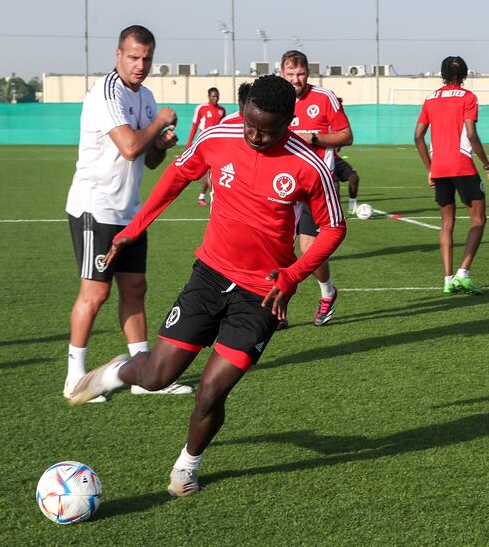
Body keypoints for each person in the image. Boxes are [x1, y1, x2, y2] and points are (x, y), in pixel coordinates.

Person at [68, 75, 347, 498]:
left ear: (288, 122)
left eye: (267, 130)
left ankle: (186, 466)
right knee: (157, 376)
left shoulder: (307, 163)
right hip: (210, 276)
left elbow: (333, 229)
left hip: (262, 294)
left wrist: (292, 276)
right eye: (250, 123)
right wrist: (133, 228)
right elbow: (176, 179)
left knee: (211, 391)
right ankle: (117, 372)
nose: (254, 135)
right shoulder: (221, 135)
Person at [64, 25, 191, 402]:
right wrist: (159, 124)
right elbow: (131, 147)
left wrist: (162, 144)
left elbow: (148, 159)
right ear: (118, 55)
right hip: (95, 206)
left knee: (135, 289)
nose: (140, 65)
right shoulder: (107, 93)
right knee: (96, 291)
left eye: (147, 58)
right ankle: (75, 377)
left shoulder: (146, 97)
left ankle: (145, 375)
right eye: (134, 57)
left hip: (129, 211)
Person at [279, 50, 353, 327]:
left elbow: (347, 135)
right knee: (277, 247)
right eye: (290, 75)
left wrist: (313, 137)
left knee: (309, 250)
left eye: (300, 74)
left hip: (317, 184)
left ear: (307, 73)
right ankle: (279, 307)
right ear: (282, 74)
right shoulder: (278, 99)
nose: (296, 80)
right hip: (283, 184)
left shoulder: (324, 97)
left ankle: (327, 291)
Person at [414, 55, 489, 294]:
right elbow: (471, 134)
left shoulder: (431, 99)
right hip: (462, 164)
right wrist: (488, 164)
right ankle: (463, 272)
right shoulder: (468, 97)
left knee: (446, 224)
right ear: (464, 74)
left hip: (439, 167)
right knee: (478, 219)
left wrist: (430, 167)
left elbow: (418, 136)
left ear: (442, 73)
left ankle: (447, 279)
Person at [186, 88, 226, 206]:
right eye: (213, 96)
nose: (215, 99)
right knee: (209, 171)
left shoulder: (222, 110)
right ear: (208, 97)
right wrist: (189, 144)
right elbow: (195, 126)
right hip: (205, 143)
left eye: (217, 97)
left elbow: (223, 127)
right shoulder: (201, 108)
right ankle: (214, 197)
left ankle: (201, 197)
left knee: (210, 171)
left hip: (217, 144)